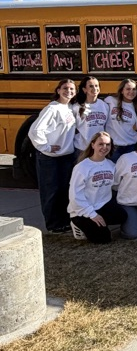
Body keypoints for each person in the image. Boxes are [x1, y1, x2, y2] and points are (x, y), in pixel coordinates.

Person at [29, 78, 78, 234]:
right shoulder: (52, 109)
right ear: (58, 90)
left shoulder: (70, 108)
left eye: (71, 89)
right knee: (51, 191)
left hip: (66, 156)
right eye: (65, 88)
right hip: (50, 157)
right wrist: (46, 147)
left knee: (64, 190)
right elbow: (35, 131)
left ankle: (63, 221)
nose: (68, 91)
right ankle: (53, 224)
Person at [67, 131, 126, 244]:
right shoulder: (82, 167)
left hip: (101, 206)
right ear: (93, 145)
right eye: (101, 144)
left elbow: (117, 185)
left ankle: (98, 224)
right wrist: (92, 214)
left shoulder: (111, 165)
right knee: (104, 239)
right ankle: (77, 223)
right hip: (82, 210)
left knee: (122, 216)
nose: (104, 147)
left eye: (108, 144)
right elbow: (75, 196)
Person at [104, 78, 137, 163]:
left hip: (131, 146)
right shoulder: (110, 100)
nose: (131, 92)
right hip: (114, 146)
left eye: (134, 89)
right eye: (128, 89)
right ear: (122, 91)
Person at [72, 75, 109, 158]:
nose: (95, 88)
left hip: (99, 149)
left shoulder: (104, 105)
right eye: (91, 86)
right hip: (82, 148)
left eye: (96, 85)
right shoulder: (77, 107)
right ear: (84, 89)